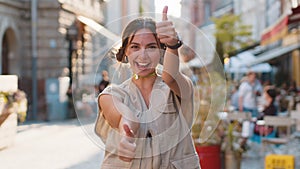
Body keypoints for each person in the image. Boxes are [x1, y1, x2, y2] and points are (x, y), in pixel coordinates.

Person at [96, 6, 200, 169]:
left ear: (161, 52)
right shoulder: (111, 94)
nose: (143, 55)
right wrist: (126, 137)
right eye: (135, 47)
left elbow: (170, 76)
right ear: (125, 53)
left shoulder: (180, 88)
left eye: (151, 47)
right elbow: (126, 117)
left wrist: (173, 44)